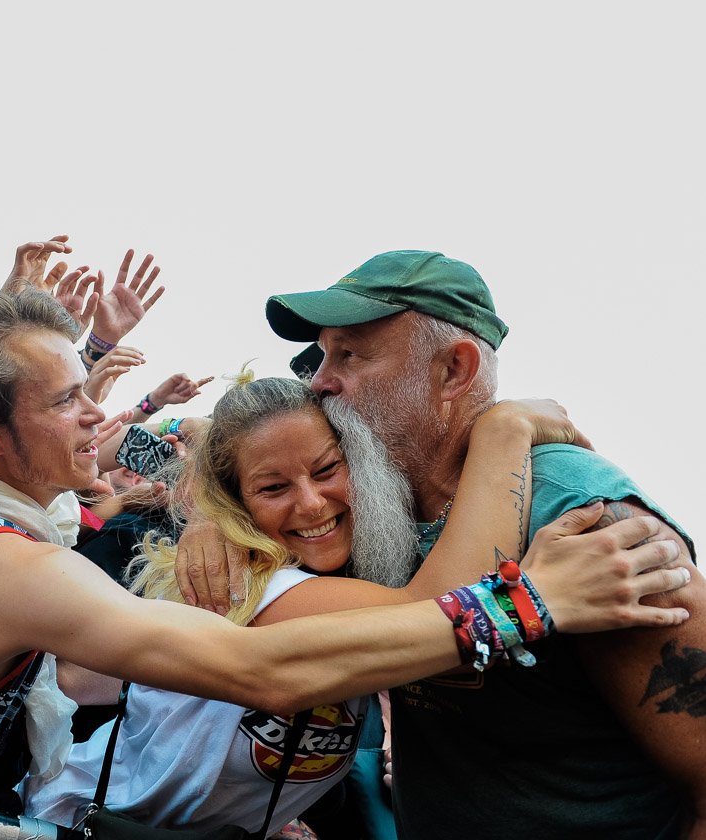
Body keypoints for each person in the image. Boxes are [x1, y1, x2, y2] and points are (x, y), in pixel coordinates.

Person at [0, 288, 688, 814]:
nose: (99, 416)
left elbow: (177, 445)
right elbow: (277, 669)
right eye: (74, 395)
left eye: (347, 359)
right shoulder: (20, 565)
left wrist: (223, 497)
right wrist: (532, 593)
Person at [244, 249, 702, 838]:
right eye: (321, 355)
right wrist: (213, 529)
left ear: (454, 372)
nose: (320, 382)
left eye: (349, 354)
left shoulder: (585, 519)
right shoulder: (367, 509)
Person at [24, 375, 606, 835]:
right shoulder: (261, 590)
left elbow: (210, 430)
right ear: (238, 504)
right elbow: (446, 609)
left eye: (328, 470)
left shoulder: (347, 576)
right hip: (77, 824)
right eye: (272, 488)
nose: (309, 504)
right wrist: (502, 432)